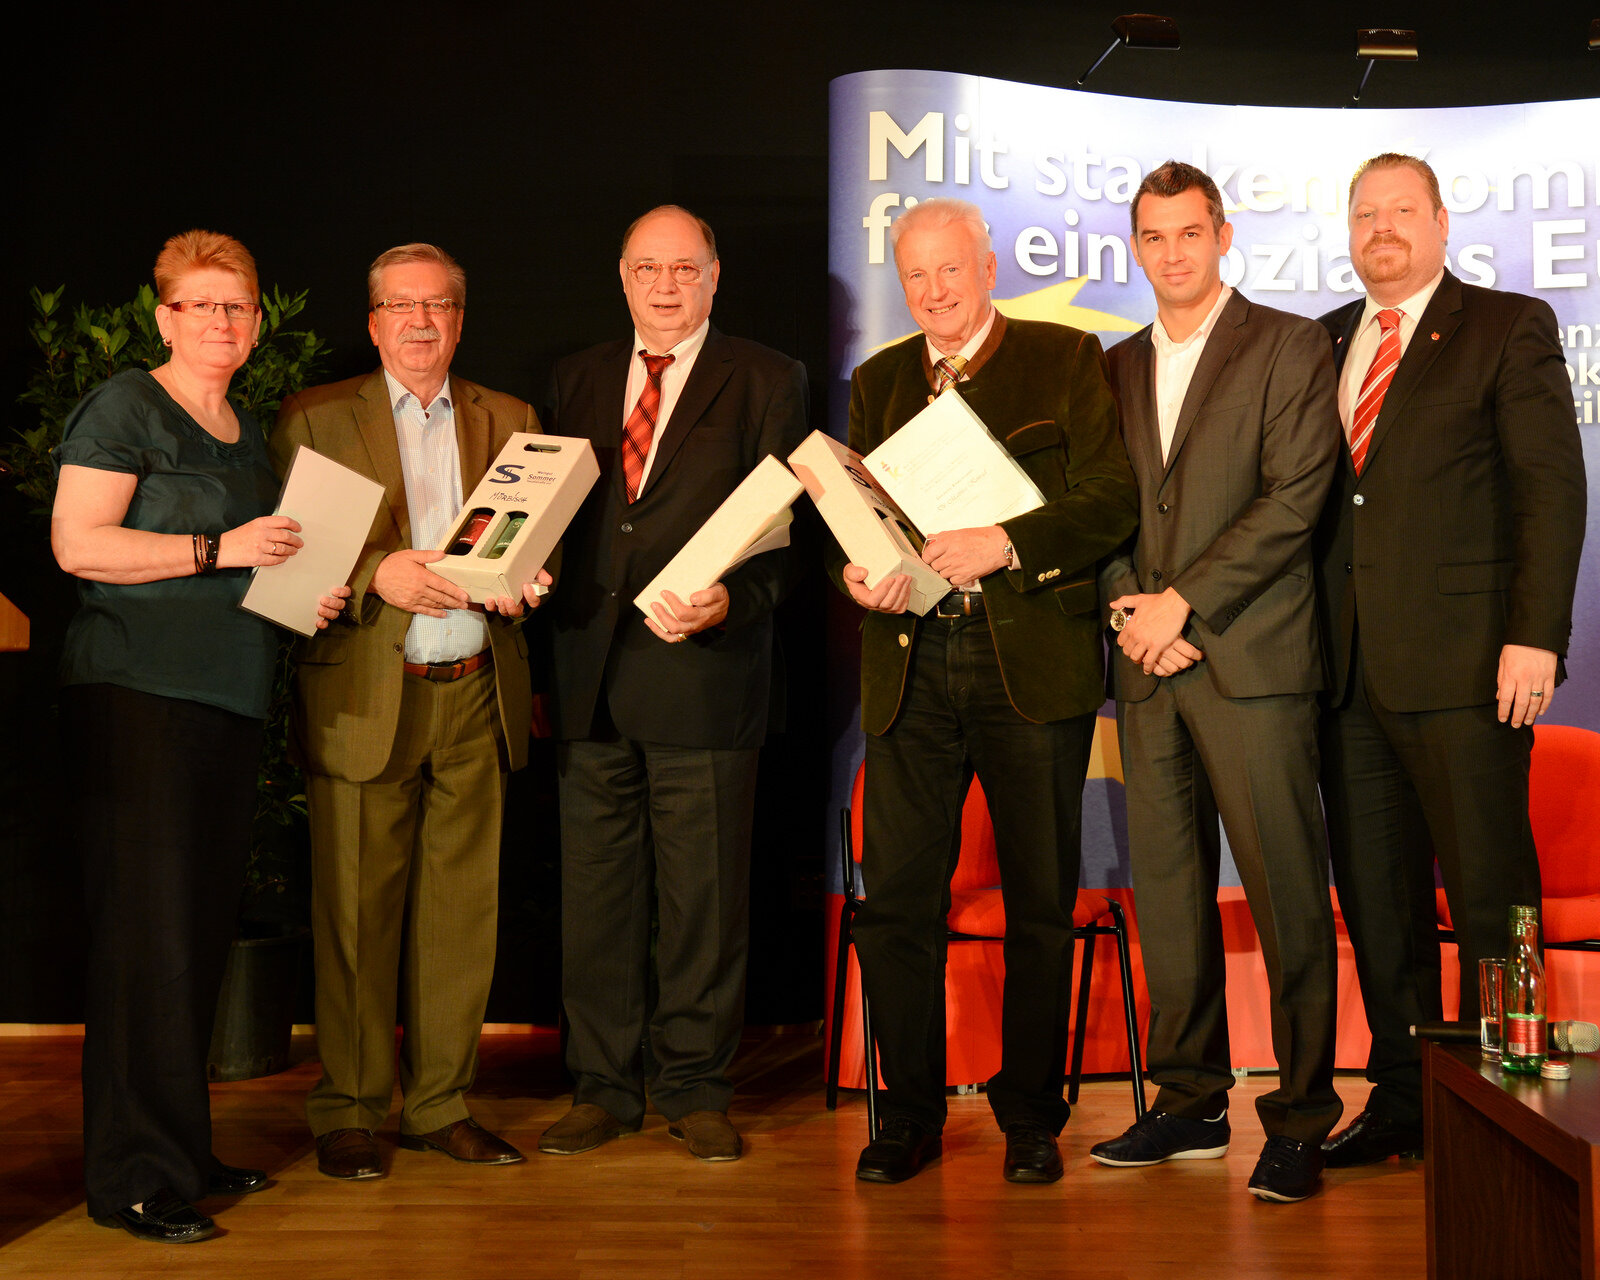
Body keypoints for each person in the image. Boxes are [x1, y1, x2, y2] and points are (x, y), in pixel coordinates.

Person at [52, 230, 349, 1243]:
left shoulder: (245, 424)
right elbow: (77, 543)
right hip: (139, 698)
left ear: (259, 320)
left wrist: (308, 590)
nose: (223, 322)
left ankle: (180, 1148)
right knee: (146, 942)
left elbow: (252, 568)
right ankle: (132, 1176)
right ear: (164, 314)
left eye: (239, 306)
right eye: (202, 305)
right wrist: (219, 545)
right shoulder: (128, 405)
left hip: (223, 700)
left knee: (191, 934)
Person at [836, 196, 1137, 1185]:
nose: (933, 293)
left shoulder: (1062, 356)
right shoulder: (877, 380)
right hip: (910, 666)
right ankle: (909, 1114)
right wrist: (859, 568)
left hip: (1028, 667)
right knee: (897, 908)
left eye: (949, 272)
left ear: (988, 264)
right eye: (914, 276)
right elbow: (865, 516)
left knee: (1040, 903)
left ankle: (1029, 1115)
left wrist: (1004, 542)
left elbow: (1109, 500)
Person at [1314, 153, 1587, 1167]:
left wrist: (1536, 634)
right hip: (1343, 678)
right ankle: (1399, 1100)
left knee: (1487, 892)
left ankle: (1505, 1106)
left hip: (1471, 665)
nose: (1380, 228)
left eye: (1399, 210)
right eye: (1363, 212)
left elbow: (1549, 489)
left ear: (1436, 220)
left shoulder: (1504, 326)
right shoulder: (1324, 340)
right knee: (1375, 902)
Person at [1088, 162, 1342, 1202]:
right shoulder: (1107, 368)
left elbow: (1295, 499)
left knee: (1285, 894)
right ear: (1136, 249)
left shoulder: (1285, 344)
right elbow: (1097, 508)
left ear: (1222, 235)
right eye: (1154, 237)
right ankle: (1190, 1102)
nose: (1173, 253)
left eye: (1190, 233)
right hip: (1148, 669)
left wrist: (1179, 603)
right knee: (1172, 902)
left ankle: (1300, 1118)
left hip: (1249, 660)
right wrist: (1125, 609)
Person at [270, 243, 548, 1180]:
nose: (420, 322)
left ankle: (439, 1105)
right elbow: (281, 563)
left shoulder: (511, 420)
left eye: (438, 306)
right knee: (354, 914)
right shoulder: (314, 418)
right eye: (401, 306)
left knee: (461, 918)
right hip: (363, 698)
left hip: (473, 692)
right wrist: (371, 574)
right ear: (376, 318)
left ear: (460, 320)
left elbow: (526, 543)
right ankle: (348, 1108)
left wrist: (525, 579)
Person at [537, 205, 807, 1163]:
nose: (665, 286)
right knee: (597, 899)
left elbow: (785, 544)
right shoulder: (572, 377)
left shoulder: (770, 378)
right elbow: (554, 519)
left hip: (703, 672)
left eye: (683, 269)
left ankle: (695, 1086)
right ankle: (603, 1088)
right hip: (587, 677)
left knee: (705, 900)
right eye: (648, 268)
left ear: (714, 277)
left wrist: (728, 601)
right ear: (621, 276)